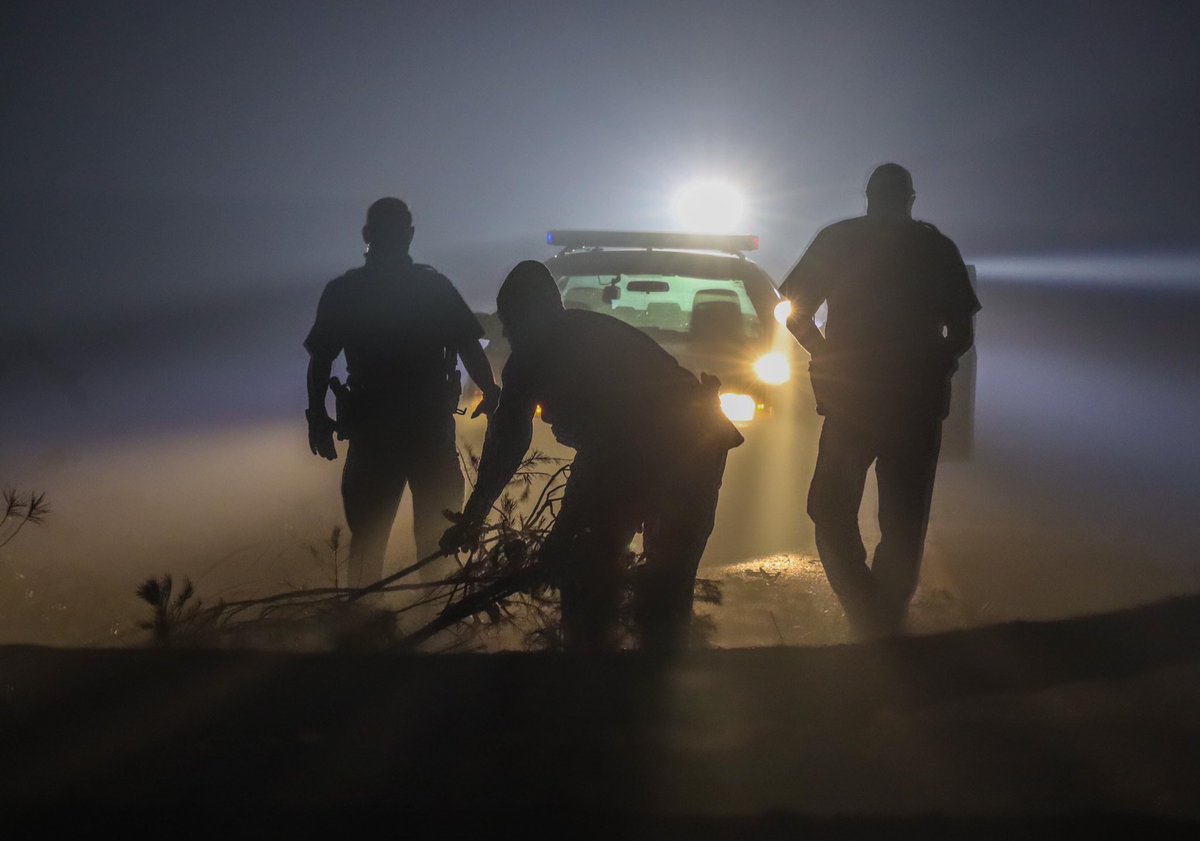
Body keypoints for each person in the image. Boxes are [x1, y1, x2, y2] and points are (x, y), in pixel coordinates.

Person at [439, 260, 744, 652]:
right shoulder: (581, 334)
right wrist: (478, 517)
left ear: (527, 316)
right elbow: (530, 443)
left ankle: (607, 663)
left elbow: (524, 443)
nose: (508, 333)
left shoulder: (535, 356)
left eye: (509, 321)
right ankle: (641, 660)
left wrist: (543, 532)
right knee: (650, 574)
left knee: (610, 569)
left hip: (677, 448)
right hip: (692, 442)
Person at [779, 163, 980, 638]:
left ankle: (868, 613)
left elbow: (794, 312)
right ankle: (882, 620)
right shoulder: (934, 247)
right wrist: (933, 364)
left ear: (868, 197)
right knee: (904, 519)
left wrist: (824, 354)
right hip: (913, 403)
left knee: (830, 508)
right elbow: (961, 333)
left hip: (854, 400)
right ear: (910, 200)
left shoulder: (838, 239)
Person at [305, 198, 500, 587]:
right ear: (408, 234)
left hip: (378, 430)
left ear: (368, 234)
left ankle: (366, 616)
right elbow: (468, 346)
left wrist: (318, 417)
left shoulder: (347, 291)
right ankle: (429, 614)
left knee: (375, 542)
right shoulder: (432, 287)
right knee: (432, 541)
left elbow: (321, 359)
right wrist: (491, 392)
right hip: (422, 429)